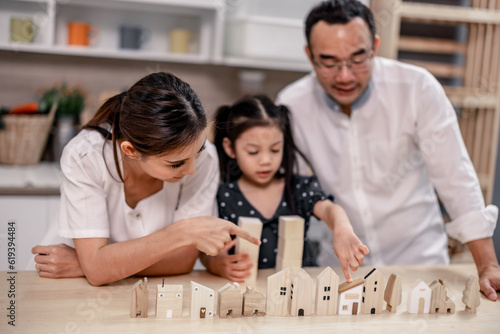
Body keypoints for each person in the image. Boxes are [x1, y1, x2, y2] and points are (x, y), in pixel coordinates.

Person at [275, 0, 500, 300]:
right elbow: (294, 193)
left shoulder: (416, 88)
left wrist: (487, 265)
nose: (345, 76)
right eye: (328, 62)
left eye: (357, 59)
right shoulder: (292, 104)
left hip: (419, 262)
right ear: (309, 55)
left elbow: (455, 176)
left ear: (375, 47)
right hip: (340, 270)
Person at [31, 72, 260, 286]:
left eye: (198, 151)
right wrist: (181, 233)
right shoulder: (84, 155)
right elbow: (97, 272)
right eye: (176, 163)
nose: (191, 169)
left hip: (97, 276)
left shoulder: (205, 158)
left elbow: (183, 262)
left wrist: (94, 265)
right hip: (61, 280)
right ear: (130, 150)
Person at [200, 94, 368, 282]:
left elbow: (329, 209)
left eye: (275, 150)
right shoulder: (222, 195)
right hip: (246, 291)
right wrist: (214, 264)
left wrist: (342, 228)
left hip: (299, 292)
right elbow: (205, 248)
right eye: (253, 152)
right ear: (230, 148)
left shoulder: (298, 188)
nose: (266, 161)